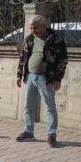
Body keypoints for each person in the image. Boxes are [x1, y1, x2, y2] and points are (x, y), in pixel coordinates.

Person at [16, 15, 68, 147]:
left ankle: (51, 135)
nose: (33, 30)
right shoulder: (29, 39)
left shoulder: (56, 39)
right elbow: (22, 57)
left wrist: (57, 79)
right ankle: (29, 132)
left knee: (50, 107)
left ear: (44, 25)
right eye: (31, 28)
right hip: (30, 77)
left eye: (36, 28)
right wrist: (19, 75)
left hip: (47, 78)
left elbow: (62, 60)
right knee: (28, 106)